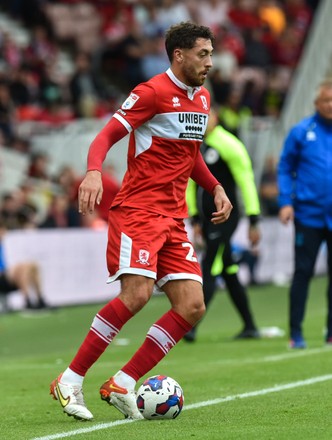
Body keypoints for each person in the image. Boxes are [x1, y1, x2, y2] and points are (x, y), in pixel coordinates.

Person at [50, 21, 233, 421]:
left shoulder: (201, 100)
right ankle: (70, 379)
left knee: (192, 306)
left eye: (211, 54)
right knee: (137, 294)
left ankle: (122, 381)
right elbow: (105, 136)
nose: (210, 62)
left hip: (173, 218)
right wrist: (94, 171)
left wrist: (215, 186)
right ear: (178, 55)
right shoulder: (150, 93)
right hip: (138, 211)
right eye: (203, 54)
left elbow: (190, 155)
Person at [184, 108, 261, 342]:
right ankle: (250, 326)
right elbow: (190, 185)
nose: (202, 122)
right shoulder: (196, 146)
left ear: (215, 118)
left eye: (206, 117)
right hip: (207, 220)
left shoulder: (229, 144)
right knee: (228, 271)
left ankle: (190, 327)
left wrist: (254, 218)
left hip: (225, 217)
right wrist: (195, 218)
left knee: (209, 266)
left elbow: (245, 180)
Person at [277, 78, 332, 349]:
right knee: (303, 272)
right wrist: (285, 201)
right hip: (308, 216)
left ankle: (331, 332)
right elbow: (285, 167)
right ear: (316, 103)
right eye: (326, 100)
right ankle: (295, 333)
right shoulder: (302, 131)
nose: (330, 105)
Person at [0, 218, 48, 310]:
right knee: (24, 267)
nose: (4, 233)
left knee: (33, 265)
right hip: (2, 277)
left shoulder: (4, 245)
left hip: (8, 275)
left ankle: (40, 299)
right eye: (2, 230)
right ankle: (27, 301)